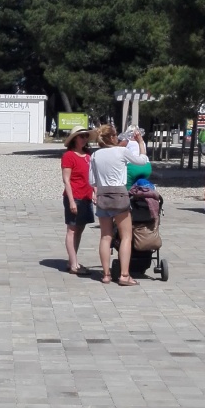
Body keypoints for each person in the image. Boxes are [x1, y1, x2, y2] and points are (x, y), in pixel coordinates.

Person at [90, 123, 148, 286]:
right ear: (112, 137)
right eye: (115, 135)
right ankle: (124, 275)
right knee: (126, 236)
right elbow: (142, 161)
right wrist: (140, 142)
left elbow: (92, 180)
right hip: (119, 194)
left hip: (103, 194)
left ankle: (106, 274)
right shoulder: (121, 151)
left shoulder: (95, 155)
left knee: (105, 236)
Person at [60, 126, 94, 273]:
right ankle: (74, 265)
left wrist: (94, 192)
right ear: (74, 139)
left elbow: (91, 177)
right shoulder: (68, 156)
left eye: (86, 136)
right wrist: (72, 201)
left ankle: (72, 260)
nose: (84, 139)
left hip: (86, 196)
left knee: (80, 229)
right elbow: (66, 180)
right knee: (72, 229)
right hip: (74, 196)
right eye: (82, 136)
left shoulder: (88, 155)